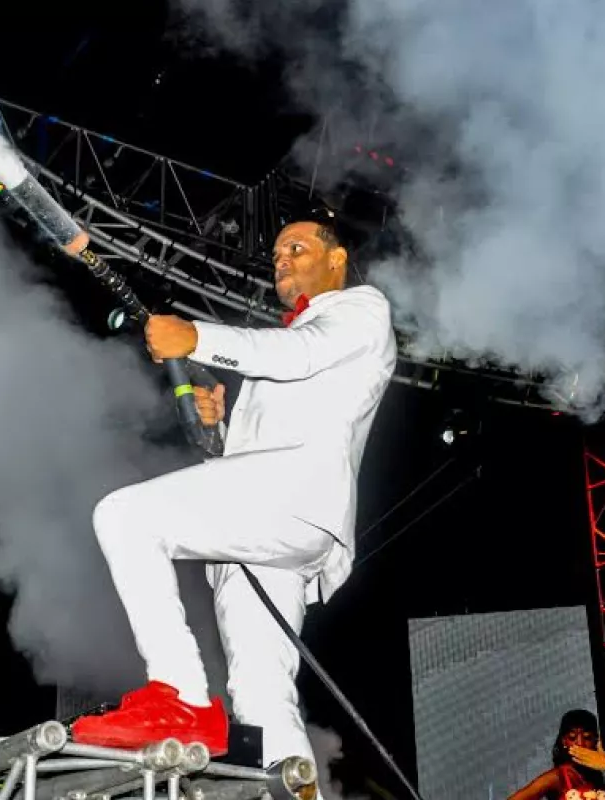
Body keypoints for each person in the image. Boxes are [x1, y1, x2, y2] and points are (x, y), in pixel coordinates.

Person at [71, 209, 397, 771]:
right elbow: (245, 451)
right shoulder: (299, 337)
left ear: (338, 258)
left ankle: (180, 696)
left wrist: (195, 337)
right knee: (262, 697)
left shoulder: (360, 309)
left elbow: (296, 354)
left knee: (125, 517)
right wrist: (221, 427)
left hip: (294, 498)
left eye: (296, 248)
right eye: (276, 255)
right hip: (273, 525)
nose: (281, 261)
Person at [507, 709, 605, 800]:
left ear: (596, 740)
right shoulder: (556, 777)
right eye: (572, 737)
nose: (580, 744)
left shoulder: (598, 774)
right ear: (564, 741)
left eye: (587, 737)